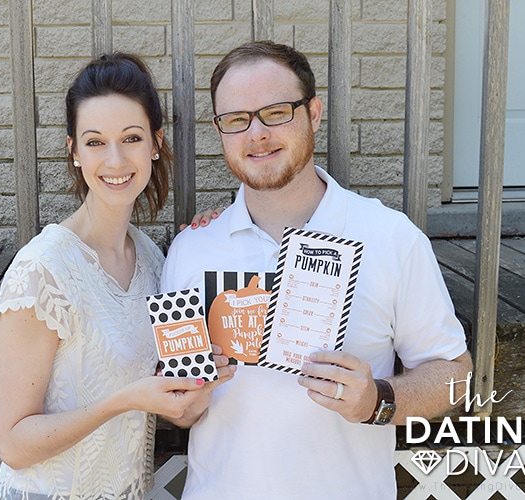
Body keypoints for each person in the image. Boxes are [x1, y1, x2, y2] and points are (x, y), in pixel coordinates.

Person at [161, 41, 473, 499]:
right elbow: (179, 410)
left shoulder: (390, 238)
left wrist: (377, 401)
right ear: (220, 130)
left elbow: (454, 374)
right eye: (236, 119)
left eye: (276, 112)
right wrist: (188, 398)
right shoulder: (191, 250)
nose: (257, 133)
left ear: (314, 113)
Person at [0, 53, 234, 500]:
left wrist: (198, 391)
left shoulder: (153, 261)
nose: (116, 159)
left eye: (132, 138)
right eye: (96, 142)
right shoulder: (42, 270)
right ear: (75, 152)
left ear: (155, 144)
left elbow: (177, 406)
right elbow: (14, 443)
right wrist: (126, 400)